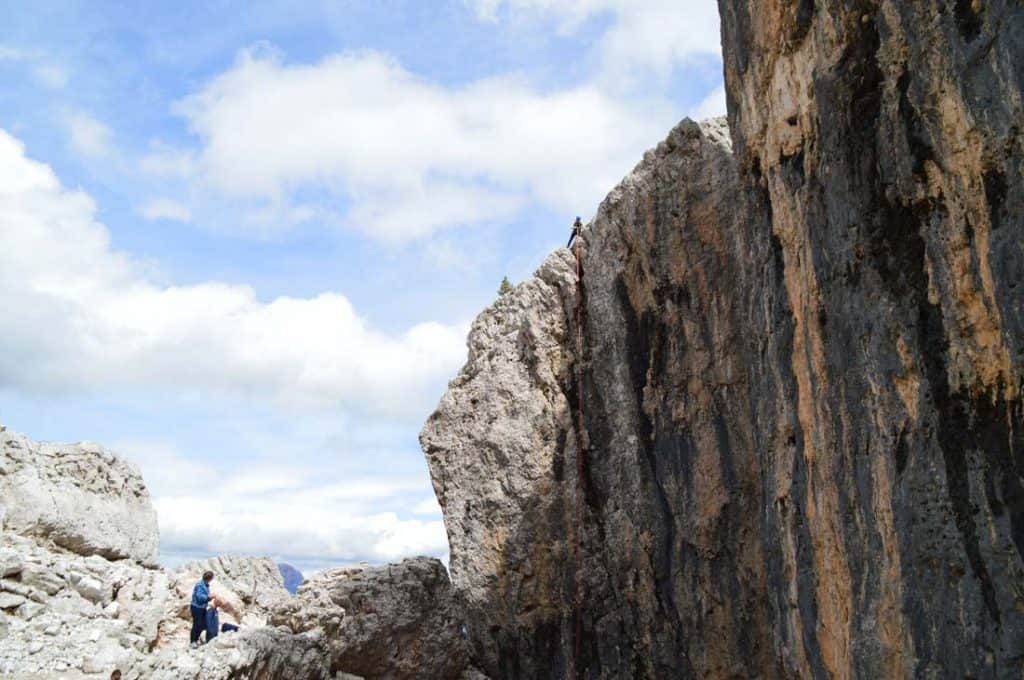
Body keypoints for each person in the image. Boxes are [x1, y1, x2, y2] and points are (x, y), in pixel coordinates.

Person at [190, 571, 217, 647]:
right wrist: (209, 597)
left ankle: (196, 639)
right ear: (209, 578)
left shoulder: (205, 585)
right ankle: (193, 641)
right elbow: (199, 597)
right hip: (196, 607)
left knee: (202, 624)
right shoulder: (200, 585)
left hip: (202, 607)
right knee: (196, 624)